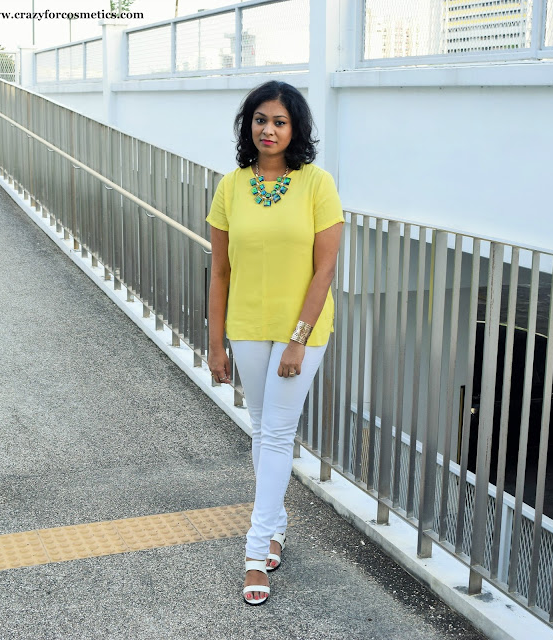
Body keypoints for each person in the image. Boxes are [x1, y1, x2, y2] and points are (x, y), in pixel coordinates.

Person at [205, 80, 344, 605]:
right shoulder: (231, 186)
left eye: (280, 121)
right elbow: (220, 271)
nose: (269, 129)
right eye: (261, 119)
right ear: (249, 125)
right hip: (244, 325)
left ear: (296, 128)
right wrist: (215, 343)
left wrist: (297, 340)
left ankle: (255, 549)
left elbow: (325, 267)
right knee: (263, 430)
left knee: (277, 432)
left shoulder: (317, 184)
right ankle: (277, 525)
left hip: (300, 332)